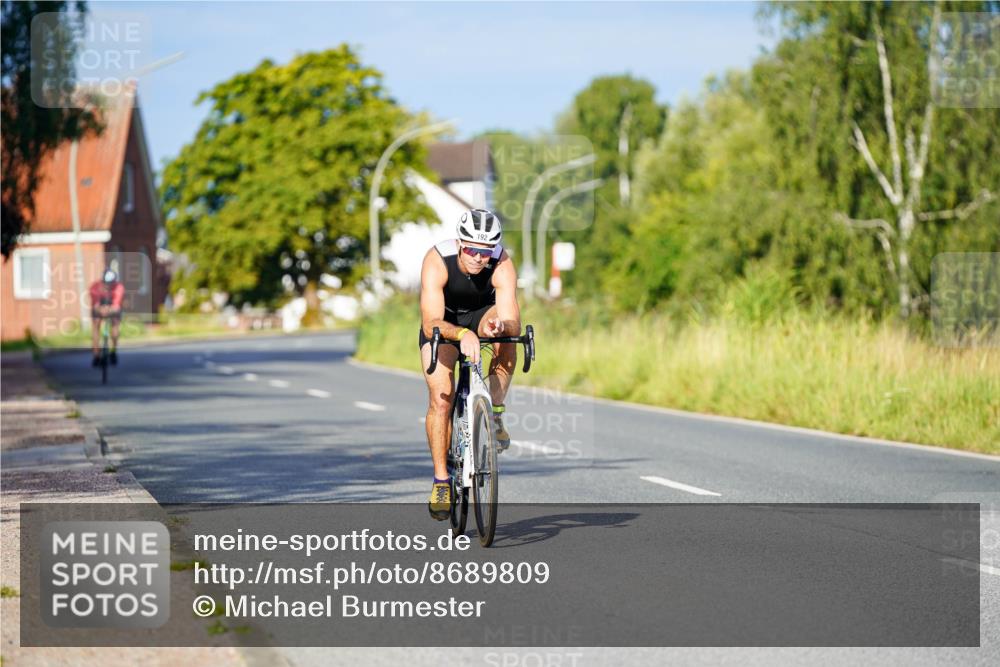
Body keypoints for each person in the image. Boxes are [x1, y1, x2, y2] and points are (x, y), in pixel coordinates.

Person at [419, 208, 521, 520]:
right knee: (441, 397)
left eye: (486, 251)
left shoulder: (502, 263)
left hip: (483, 315)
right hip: (444, 322)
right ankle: (441, 480)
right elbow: (430, 324)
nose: (479, 258)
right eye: (473, 250)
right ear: (460, 243)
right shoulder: (438, 260)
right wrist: (461, 333)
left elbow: (512, 319)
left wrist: (500, 328)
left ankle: (496, 412)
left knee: (508, 340)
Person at [89, 269, 125, 366]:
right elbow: (95, 303)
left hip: (112, 307)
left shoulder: (118, 287)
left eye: (110, 284)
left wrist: (111, 310)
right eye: (106, 284)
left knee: (115, 323)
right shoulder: (95, 287)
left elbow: (117, 303)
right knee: (96, 324)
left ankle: (113, 351)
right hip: (99, 306)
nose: (108, 286)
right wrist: (100, 310)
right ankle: (96, 355)